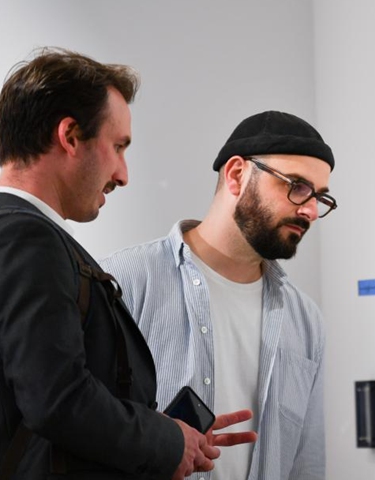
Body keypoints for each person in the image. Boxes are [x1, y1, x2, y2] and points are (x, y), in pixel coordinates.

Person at [0, 48, 255, 480]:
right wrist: (168, 441)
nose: (123, 174)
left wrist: (170, 435)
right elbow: (56, 398)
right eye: (118, 147)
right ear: (70, 135)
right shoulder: (29, 239)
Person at [101, 110, 335, 480]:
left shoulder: (305, 319)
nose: (310, 210)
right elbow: (76, 426)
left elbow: (307, 463)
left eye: (320, 197)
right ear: (237, 175)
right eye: (297, 186)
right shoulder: (125, 282)